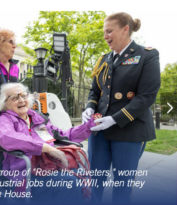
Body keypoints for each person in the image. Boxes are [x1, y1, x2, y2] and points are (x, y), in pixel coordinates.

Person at [82, 12, 161, 204]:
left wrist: (115, 119)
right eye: (104, 32)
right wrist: (90, 108)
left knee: (122, 185)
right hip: (99, 131)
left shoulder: (147, 55)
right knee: (94, 182)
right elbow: (95, 92)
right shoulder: (104, 59)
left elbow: (146, 96)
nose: (105, 36)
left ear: (125, 29)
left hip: (129, 130)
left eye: (109, 31)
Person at [0, 83, 99, 203]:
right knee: (69, 182)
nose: (21, 100)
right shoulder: (6, 118)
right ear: (5, 104)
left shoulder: (36, 119)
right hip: (24, 175)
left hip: (48, 167)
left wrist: (89, 126)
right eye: (14, 97)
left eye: (23, 95)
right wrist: (45, 147)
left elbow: (62, 135)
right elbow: (4, 136)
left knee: (84, 176)